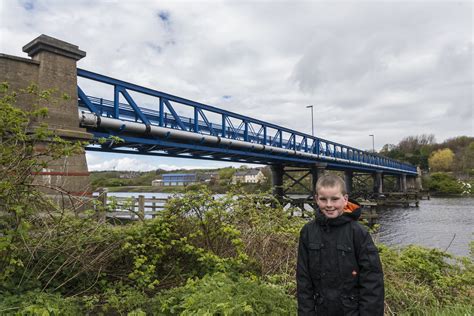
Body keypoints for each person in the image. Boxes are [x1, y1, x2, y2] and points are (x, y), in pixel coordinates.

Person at [297, 174, 384, 315]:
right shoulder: (308, 232)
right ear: (316, 199)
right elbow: (303, 281)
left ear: (345, 199)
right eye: (323, 199)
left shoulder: (359, 233)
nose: (329, 205)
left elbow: (372, 283)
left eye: (335, 199)